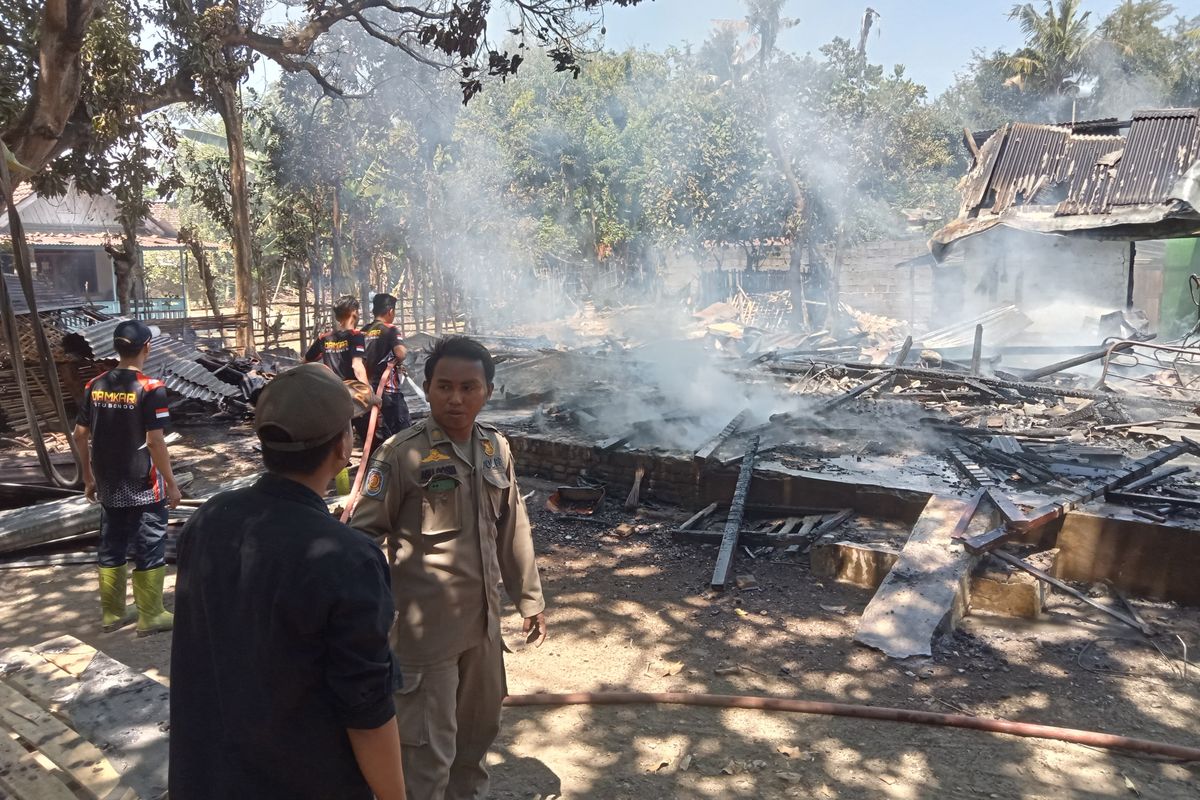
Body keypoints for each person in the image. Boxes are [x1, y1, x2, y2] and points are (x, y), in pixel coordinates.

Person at [169, 364, 406, 800]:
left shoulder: (210, 517)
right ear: (343, 447)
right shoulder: (348, 557)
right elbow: (366, 707)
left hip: (207, 777)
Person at [352, 336, 547, 800]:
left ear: (488, 392)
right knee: (425, 758)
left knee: (475, 742)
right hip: (426, 639)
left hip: (483, 632)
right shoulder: (401, 454)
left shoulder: (495, 449)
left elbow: (512, 528)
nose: (455, 398)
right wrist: (365, 615)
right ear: (427, 388)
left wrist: (530, 600)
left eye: (468, 387)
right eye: (444, 386)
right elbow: (360, 540)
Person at [72, 319, 180, 637]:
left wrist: (88, 477)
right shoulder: (150, 388)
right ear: (147, 347)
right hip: (143, 482)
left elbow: (79, 435)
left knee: (112, 542)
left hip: (108, 481)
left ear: (116, 348)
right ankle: (150, 615)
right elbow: (156, 442)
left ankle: (113, 613)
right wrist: (172, 483)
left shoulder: (94, 385)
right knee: (149, 541)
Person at [362, 292, 412, 441]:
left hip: (368, 390)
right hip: (388, 391)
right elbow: (400, 353)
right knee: (404, 435)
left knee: (380, 434)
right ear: (390, 311)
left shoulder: (363, 330)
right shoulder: (390, 329)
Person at [305, 294, 368, 385]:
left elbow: (305, 361)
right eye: (357, 311)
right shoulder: (357, 336)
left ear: (337, 317)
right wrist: (368, 390)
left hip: (330, 388)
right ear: (354, 312)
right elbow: (357, 366)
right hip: (349, 390)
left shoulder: (324, 338)